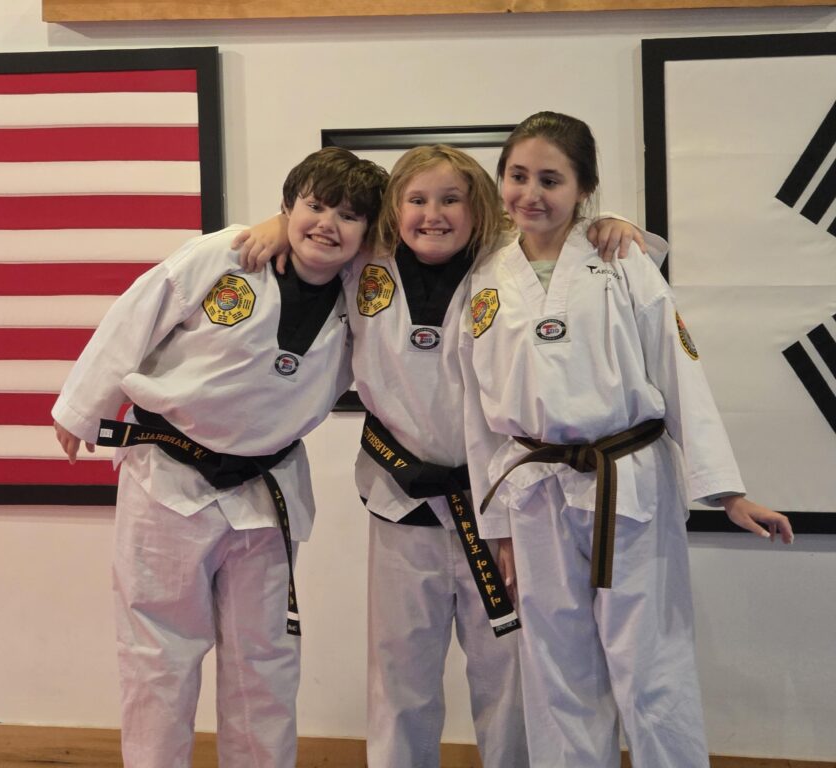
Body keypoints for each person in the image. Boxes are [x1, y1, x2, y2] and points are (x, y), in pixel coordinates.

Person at [233, 143, 661, 767]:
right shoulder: (367, 261)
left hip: (501, 509)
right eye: (417, 200)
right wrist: (276, 224)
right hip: (401, 500)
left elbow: (573, 242)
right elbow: (316, 235)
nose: (433, 214)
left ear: (479, 207)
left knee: (509, 675)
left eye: (451, 200)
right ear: (394, 210)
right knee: (399, 673)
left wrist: (611, 223)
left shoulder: (508, 262)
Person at [460, 111, 794, 768]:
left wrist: (727, 492)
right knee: (555, 668)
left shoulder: (621, 260)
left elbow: (679, 367)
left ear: (583, 189)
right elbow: (477, 415)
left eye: (550, 180)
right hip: (533, 490)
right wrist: (495, 525)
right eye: (518, 176)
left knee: (651, 664)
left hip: (629, 480)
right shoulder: (485, 277)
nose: (531, 193)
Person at [51, 147, 389, 768]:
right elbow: (138, 312)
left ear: (368, 232)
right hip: (167, 478)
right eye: (314, 207)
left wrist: (285, 224)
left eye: (348, 216)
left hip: (265, 488)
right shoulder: (227, 255)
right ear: (287, 206)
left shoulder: (365, 291)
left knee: (265, 659)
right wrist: (82, 406)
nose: (327, 225)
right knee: (158, 653)